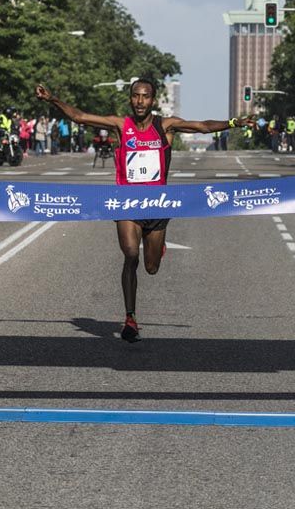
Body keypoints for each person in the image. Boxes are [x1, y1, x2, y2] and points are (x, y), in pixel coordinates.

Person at [36, 79, 255, 342]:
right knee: (130, 255)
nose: (140, 101)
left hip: (157, 205)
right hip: (127, 202)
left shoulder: (165, 126)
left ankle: (157, 249)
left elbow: (204, 127)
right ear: (130, 99)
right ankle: (130, 318)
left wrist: (234, 123)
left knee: (151, 267)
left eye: (146, 96)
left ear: (153, 100)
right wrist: (53, 99)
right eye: (136, 96)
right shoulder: (120, 126)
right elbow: (80, 117)